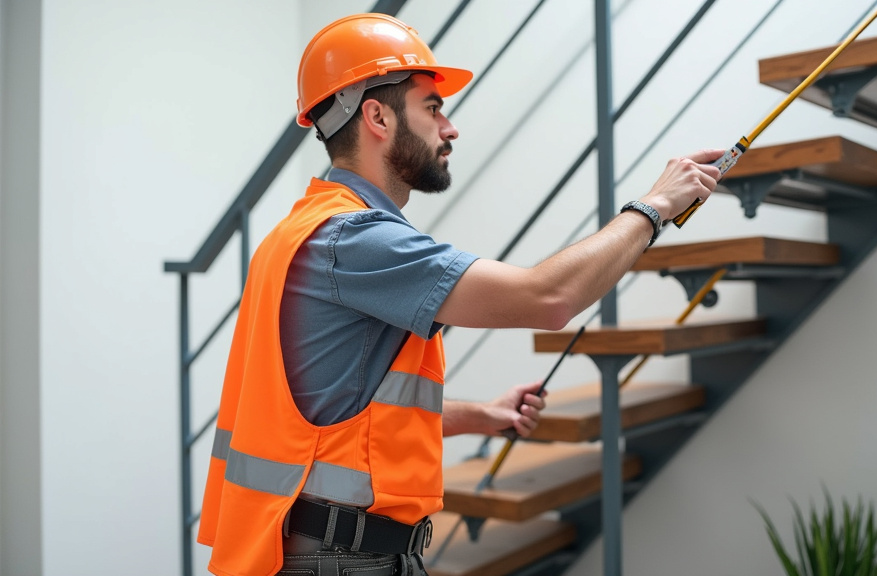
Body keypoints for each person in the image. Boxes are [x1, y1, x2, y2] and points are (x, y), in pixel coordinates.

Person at [197, 12, 721, 576]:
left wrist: (481, 415)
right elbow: (550, 298)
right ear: (376, 116)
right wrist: (653, 207)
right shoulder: (354, 239)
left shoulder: (302, 230)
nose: (450, 128)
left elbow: (340, 417)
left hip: (328, 551)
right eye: (432, 107)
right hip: (343, 560)